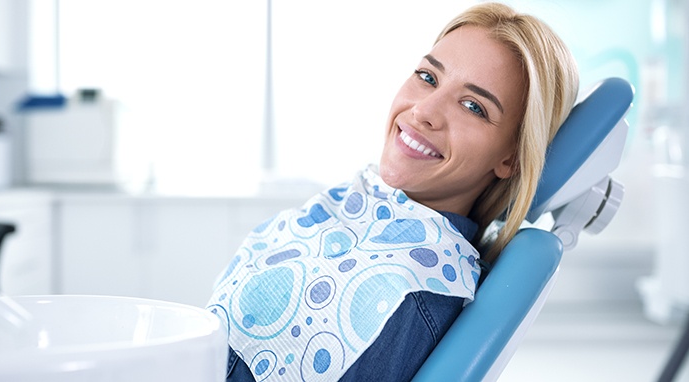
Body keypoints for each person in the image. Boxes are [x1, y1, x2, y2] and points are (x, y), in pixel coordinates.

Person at [207, 2, 579, 381]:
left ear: (511, 158)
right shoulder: (356, 202)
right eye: (428, 77)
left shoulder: (405, 295)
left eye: (473, 106)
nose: (423, 111)